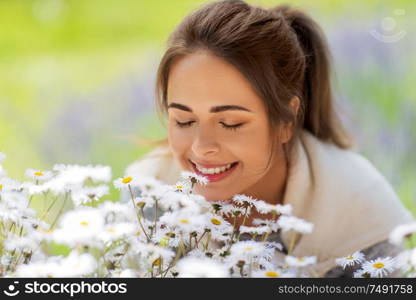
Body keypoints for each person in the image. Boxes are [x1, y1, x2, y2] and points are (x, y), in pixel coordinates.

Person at [121, 0, 414, 277]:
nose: (201, 147)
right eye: (184, 121)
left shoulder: (361, 217)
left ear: (286, 120)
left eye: (229, 123)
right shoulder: (150, 195)